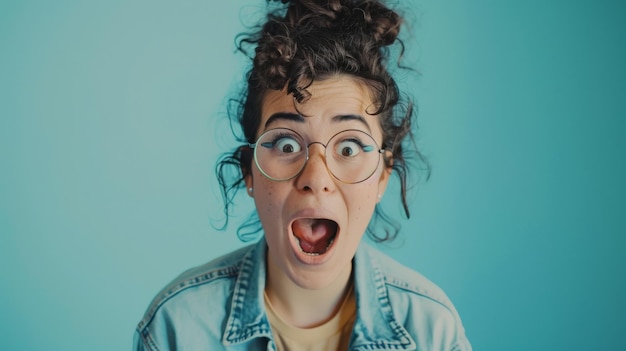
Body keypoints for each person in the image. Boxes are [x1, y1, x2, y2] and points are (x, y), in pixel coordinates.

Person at [133, 0, 472, 350]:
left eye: (349, 148)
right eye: (285, 145)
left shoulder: (433, 331)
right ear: (249, 171)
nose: (316, 177)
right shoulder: (176, 326)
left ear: (383, 177)